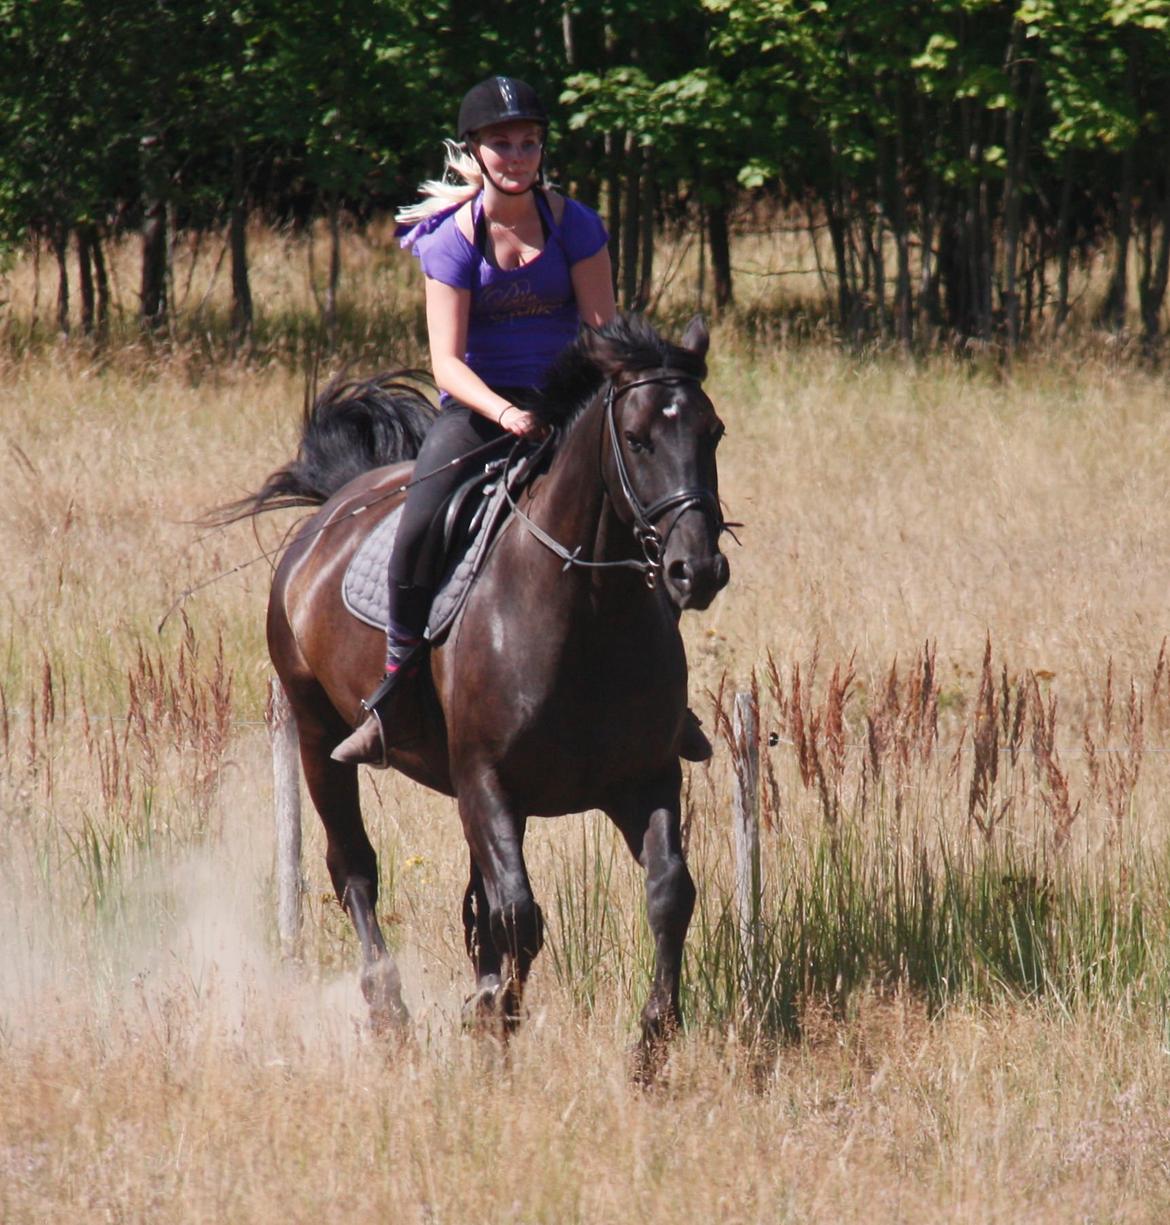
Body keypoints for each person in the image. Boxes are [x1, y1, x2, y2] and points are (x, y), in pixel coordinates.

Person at [333, 74, 711, 767]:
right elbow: (445, 363)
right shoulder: (450, 242)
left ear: (543, 149)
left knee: (647, 513)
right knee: (420, 524)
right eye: (501, 143)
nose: (516, 155)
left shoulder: (578, 226)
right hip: (480, 409)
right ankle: (394, 693)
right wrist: (508, 414)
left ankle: (665, 700)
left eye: (528, 142)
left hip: (573, 406)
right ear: (474, 151)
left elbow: (606, 337)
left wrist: (599, 410)